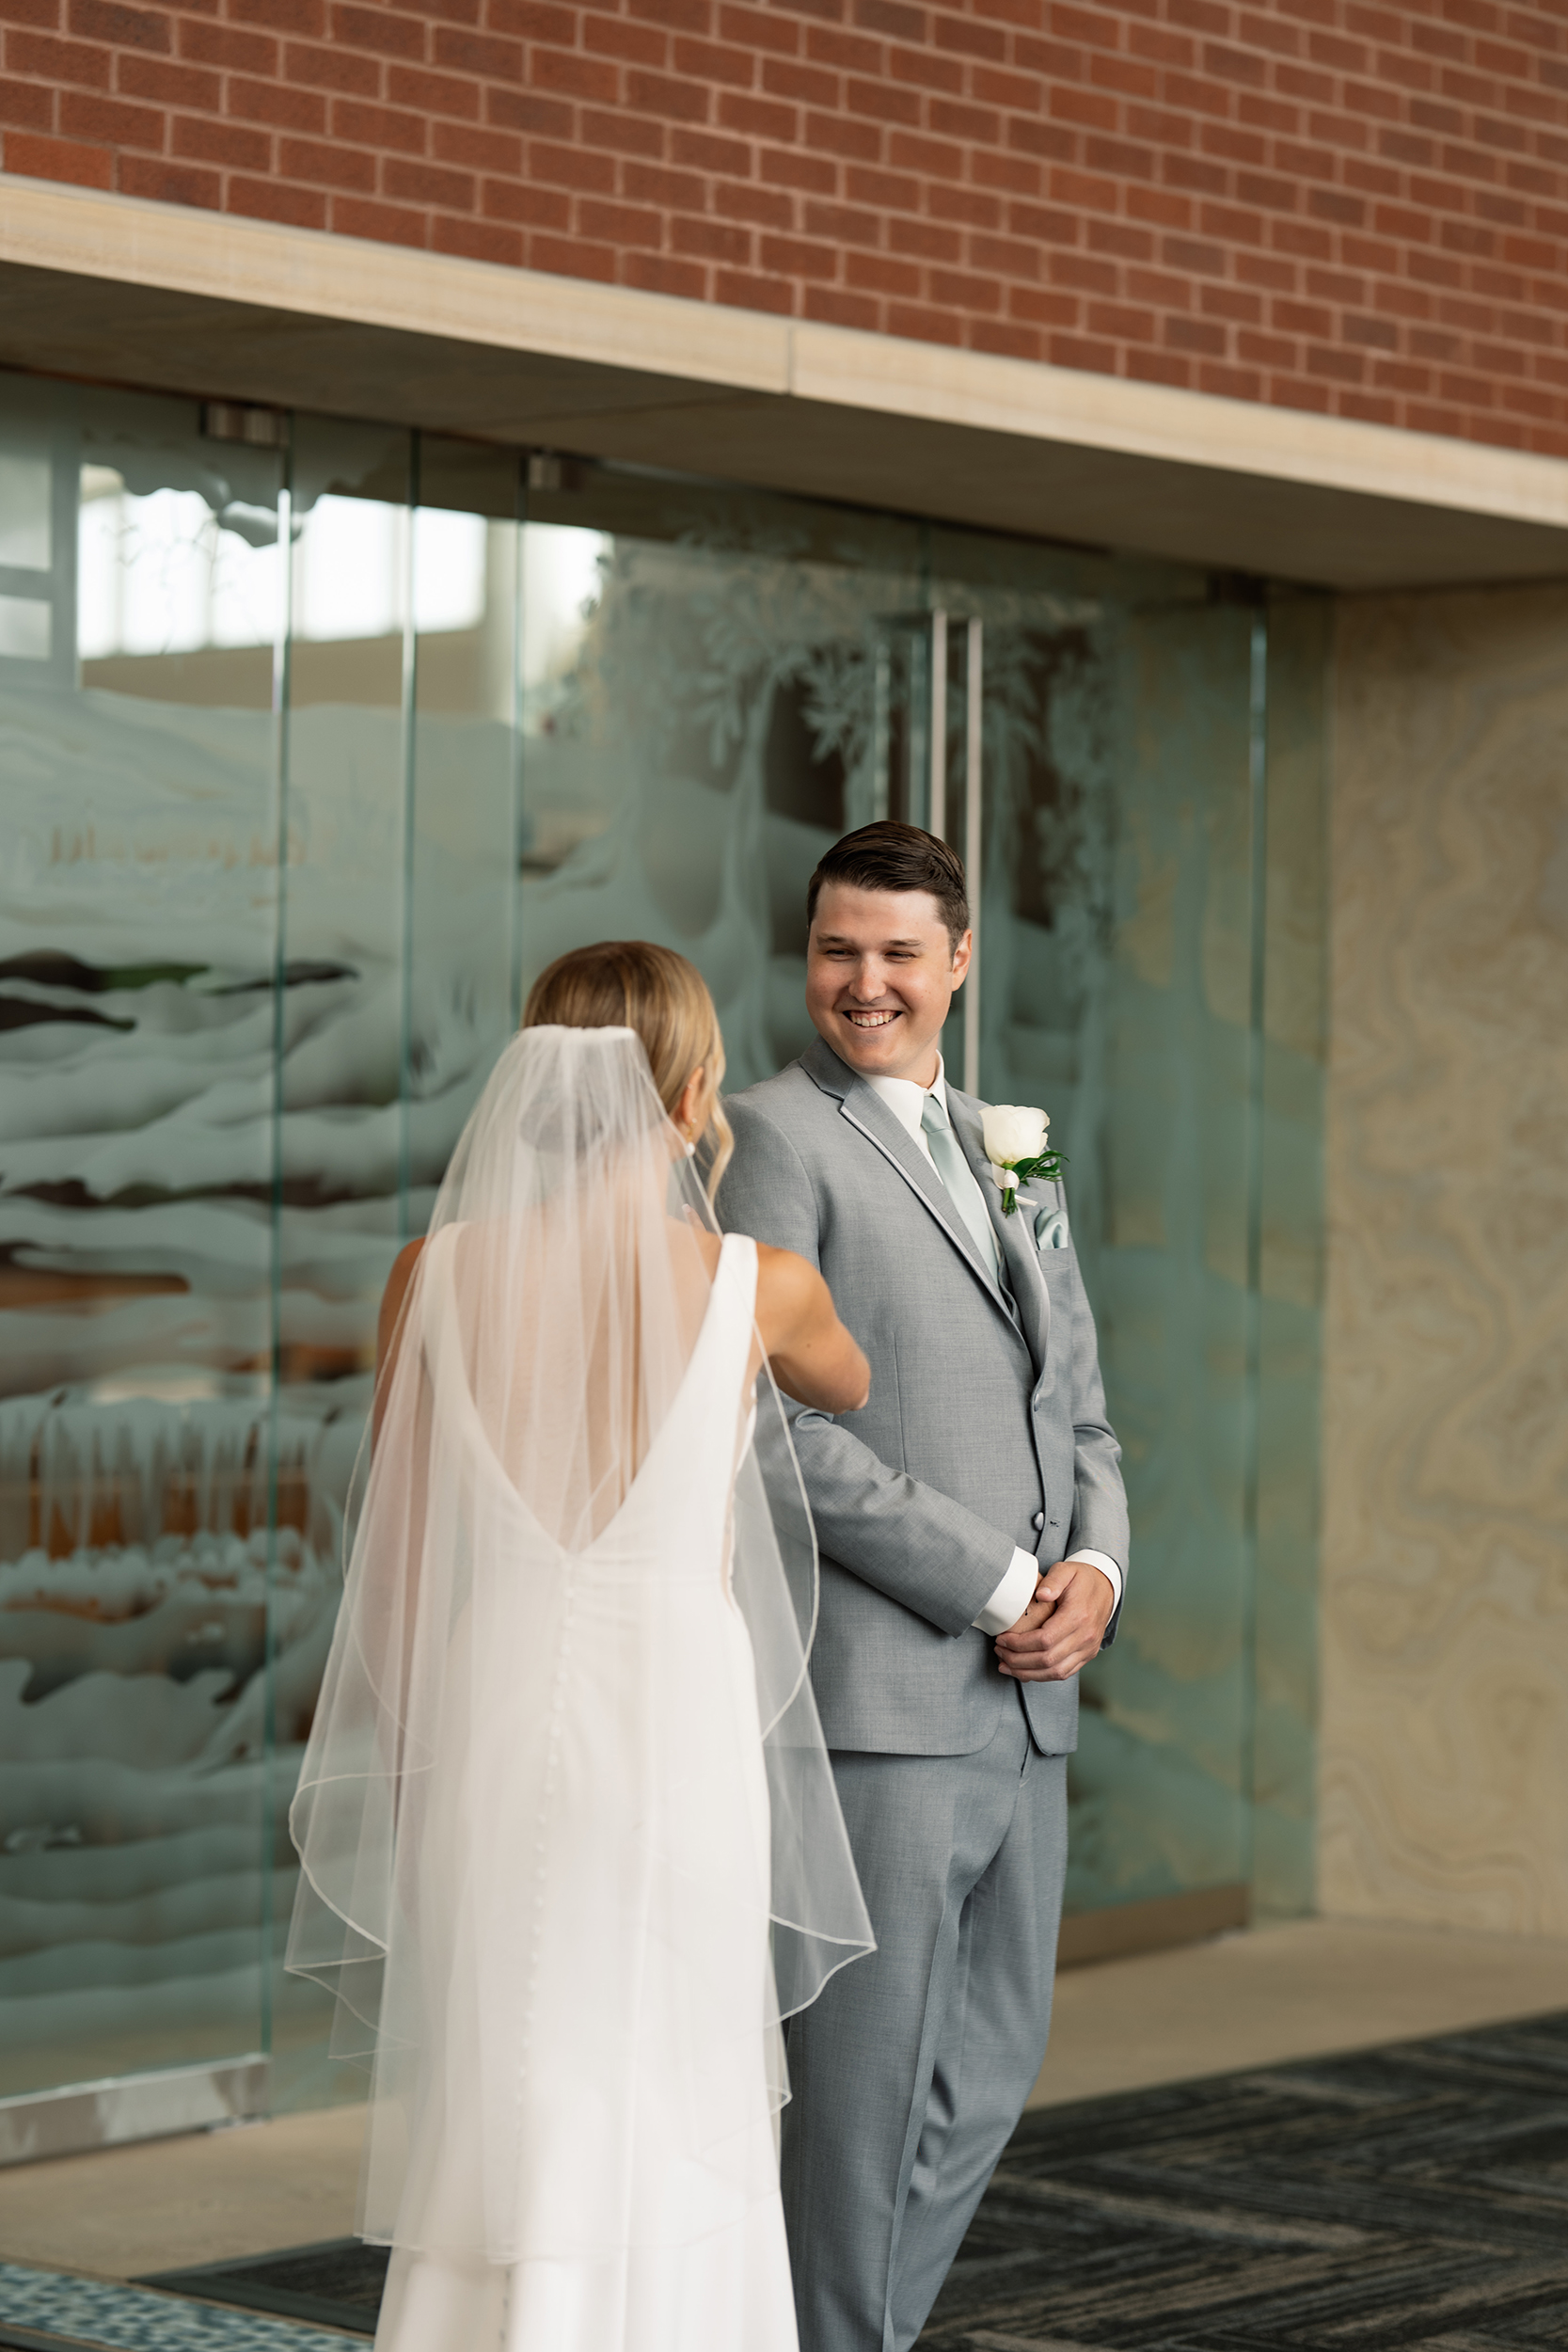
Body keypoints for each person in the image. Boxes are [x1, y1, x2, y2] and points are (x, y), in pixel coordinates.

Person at [288, 940, 875, 2352]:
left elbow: (399, 1567)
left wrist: (430, 1768)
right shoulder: (760, 1283)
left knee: (512, 2056)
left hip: (497, 1704)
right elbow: (854, 1378)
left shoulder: (432, 1274)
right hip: (671, 1708)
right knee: (672, 2063)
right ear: (689, 1099)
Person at [719, 821, 1130, 2352]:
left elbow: (1077, 1402)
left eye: (899, 952)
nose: (866, 982)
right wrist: (1000, 1577)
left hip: (1031, 1702)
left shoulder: (1014, 1144)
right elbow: (761, 1424)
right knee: (860, 2107)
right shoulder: (772, 1133)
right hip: (883, 1704)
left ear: (960, 960)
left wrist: (1094, 1566)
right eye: (839, 949)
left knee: (989, 2071)